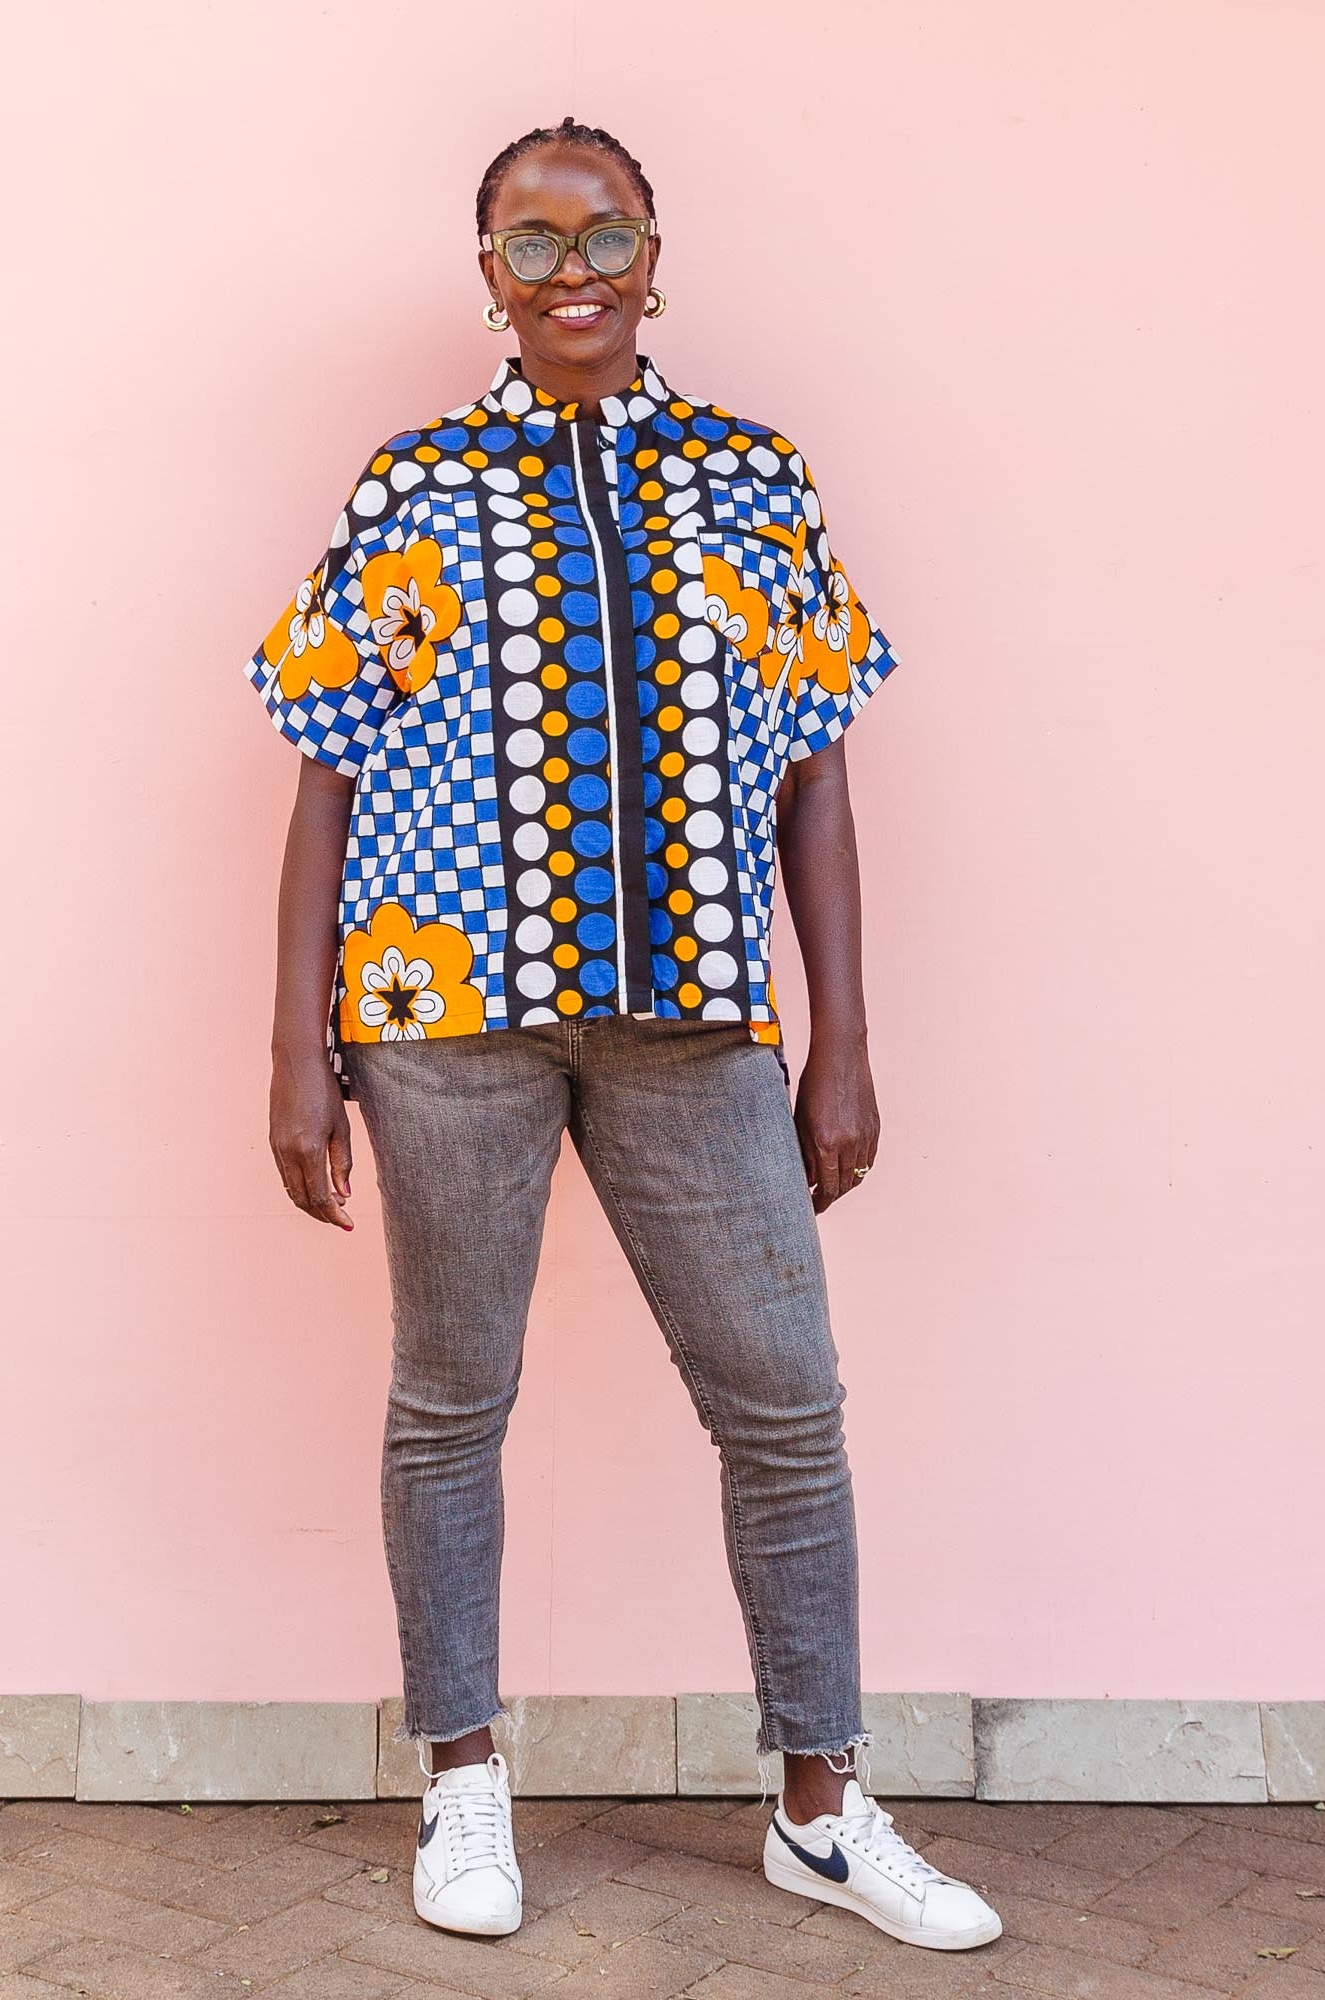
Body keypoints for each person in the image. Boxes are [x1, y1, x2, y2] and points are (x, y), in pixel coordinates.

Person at [242, 114, 1002, 1954]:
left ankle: (818, 1804)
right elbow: (327, 774)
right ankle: (462, 1783)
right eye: (529, 242)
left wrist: (840, 1037)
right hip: (442, 1016)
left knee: (784, 1406)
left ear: (658, 253)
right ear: (485, 273)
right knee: (450, 1406)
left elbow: (816, 771)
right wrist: (291, 1043)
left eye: (603, 235)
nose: (569, 271)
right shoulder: (412, 481)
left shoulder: (752, 476)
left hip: (695, 1021)